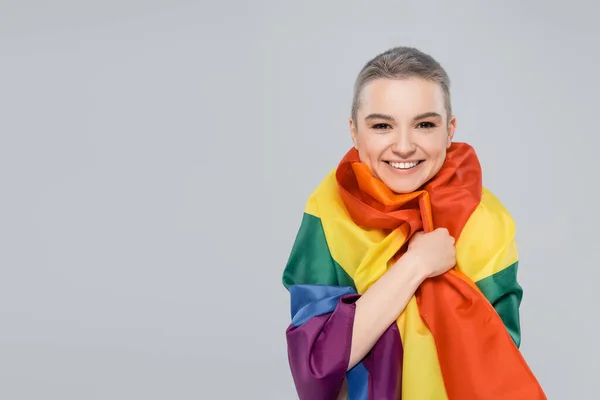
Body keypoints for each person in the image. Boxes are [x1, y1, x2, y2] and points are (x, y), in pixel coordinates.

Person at [281, 47, 546, 400]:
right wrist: (416, 264)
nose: (404, 146)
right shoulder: (329, 210)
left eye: (424, 124)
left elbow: (494, 367)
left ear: (449, 130)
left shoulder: (485, 221)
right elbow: (316, 366)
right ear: (354, 132)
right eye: (381, 125)